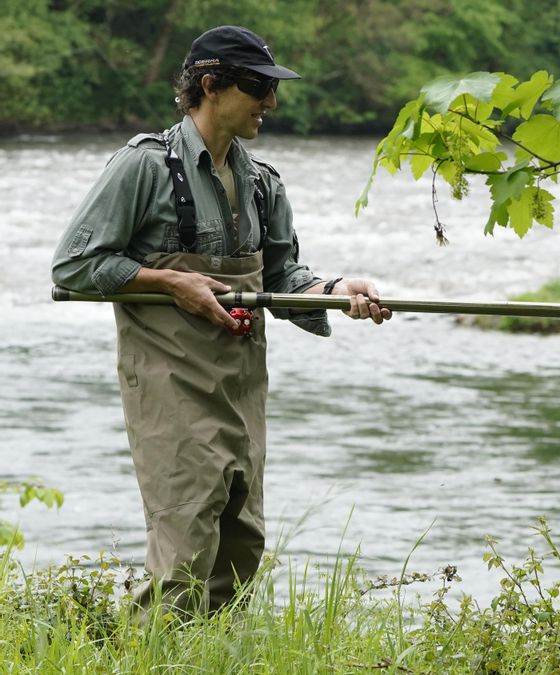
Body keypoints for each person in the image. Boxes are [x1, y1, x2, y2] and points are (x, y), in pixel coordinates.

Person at [50, 25, 391, 618]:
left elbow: (283, 281)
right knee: (183, 555)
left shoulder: (262, 184)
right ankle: (147, 656)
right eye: (258, 87)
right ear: (210, 85)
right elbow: (75, 266)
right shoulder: (143, 167)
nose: (271, 103)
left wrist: (338, 292)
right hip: (168, 388)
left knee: (240, 551)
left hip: (241, 392)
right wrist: (169, 282)